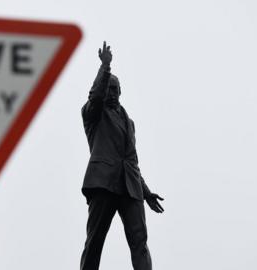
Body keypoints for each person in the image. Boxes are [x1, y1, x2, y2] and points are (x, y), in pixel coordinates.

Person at [80, 41, 164, 270]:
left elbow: (132, 161)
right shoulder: (92, 114)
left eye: (116, 90)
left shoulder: (130, 123)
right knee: (95, 240)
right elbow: (95, 96)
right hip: (104, 183)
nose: (113, 93)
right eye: (109, 89)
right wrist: (105, 68)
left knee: (140, 243)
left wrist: (146, 192)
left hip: (130, 188)